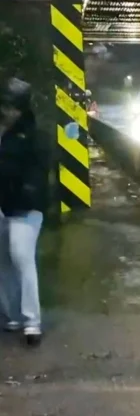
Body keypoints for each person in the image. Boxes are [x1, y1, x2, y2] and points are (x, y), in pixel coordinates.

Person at [0, 77, 47, 347]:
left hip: (24, 208)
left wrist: (28, 195)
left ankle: (32, 321)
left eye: (13, 107)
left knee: (20, 256)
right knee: (3, 262)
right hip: (3, 206)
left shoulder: (32, 135)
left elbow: (38, 171)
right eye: (5, 105)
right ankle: (11, 316)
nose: (8, 111)